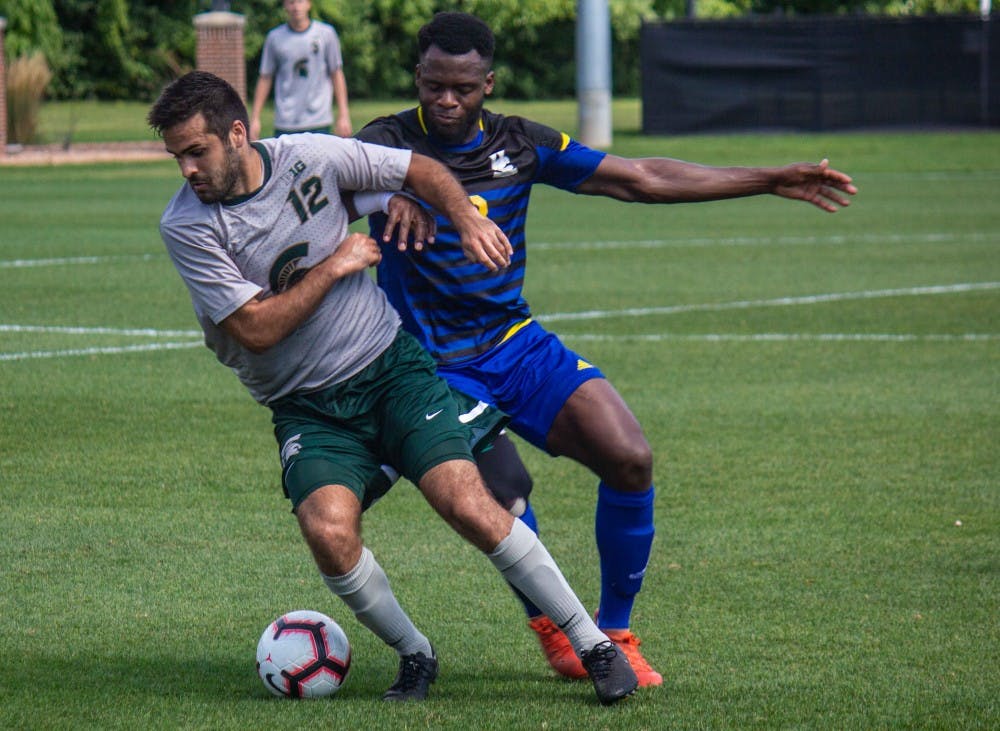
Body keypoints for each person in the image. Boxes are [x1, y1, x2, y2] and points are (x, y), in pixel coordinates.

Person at [354, 11, 858, 688]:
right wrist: (391, 191)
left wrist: (765, 178)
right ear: (418, 76)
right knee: (504, 492)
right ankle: (564, 634)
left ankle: (615, 628)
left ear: (488, 83)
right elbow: (342, 171)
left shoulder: (519, 144)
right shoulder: (384, 140)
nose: (447, 100)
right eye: (435, 84)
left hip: (515, 343)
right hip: (430, 367)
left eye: (464, 88)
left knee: (629, 455)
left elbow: (641, 177)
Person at [147, 70, 639, 705]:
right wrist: (337, 263)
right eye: (177, 156)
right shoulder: (187, 226)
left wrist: (460, 214)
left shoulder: (311, 155)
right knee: (327, 530)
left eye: (196, 151)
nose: (186, 169)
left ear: (236, 133)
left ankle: (593, 644)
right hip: (306, 406)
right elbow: (255, 329)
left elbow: (422, 170)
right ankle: (416, 654)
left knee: (469, 502)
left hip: (389, 370)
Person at [250, 0, 352, 140]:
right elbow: (265, 77)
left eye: (300, 1)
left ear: (309, 4)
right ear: (285, 5)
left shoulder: (326, 34)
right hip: (286, 121)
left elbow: (336, 73)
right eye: (291, 2)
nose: (296, 7)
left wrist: (343, 114)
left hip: (319, 120)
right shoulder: (275, 38)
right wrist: (255, 118)